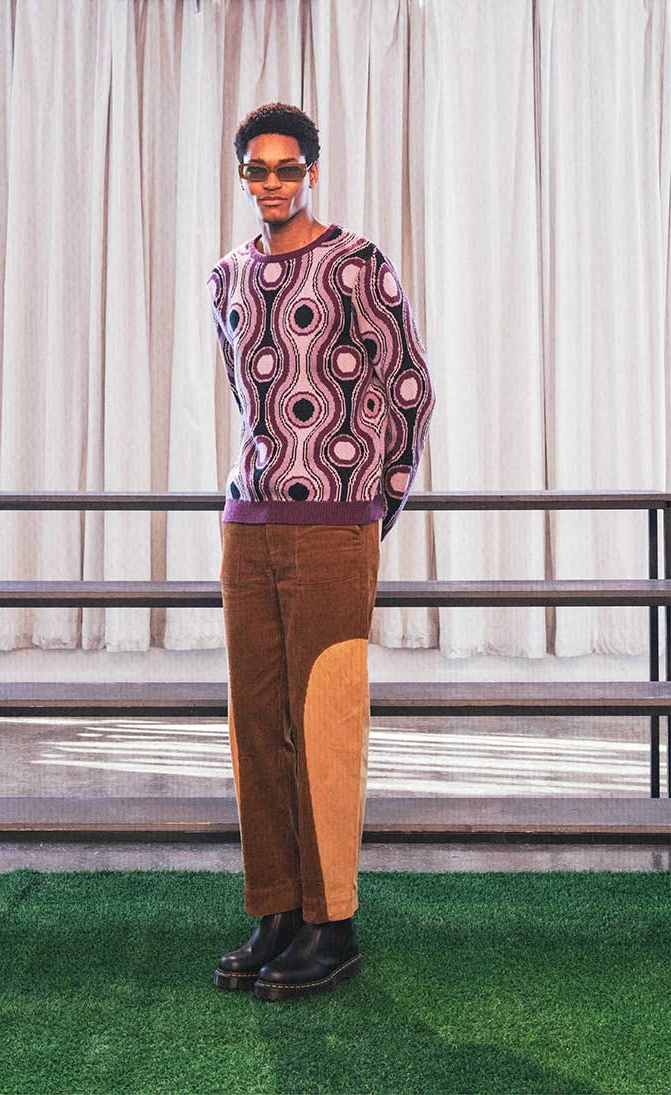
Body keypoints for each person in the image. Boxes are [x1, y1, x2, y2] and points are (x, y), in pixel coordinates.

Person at [206, 101, 436, 1002]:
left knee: (326, 721)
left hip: (337, 524)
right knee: (256, 723)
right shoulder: (226, 278)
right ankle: (276, 909)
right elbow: (249, 401)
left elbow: (409, 387)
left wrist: (376, 502)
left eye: (287, 167)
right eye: (256, 169)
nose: (272, 183)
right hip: (248, 524)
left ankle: (331, 922)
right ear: (242, 176)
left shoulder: (358, 264)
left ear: (311, 170)